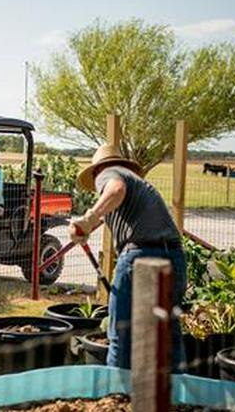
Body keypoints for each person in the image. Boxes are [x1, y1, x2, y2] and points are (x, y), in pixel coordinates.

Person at [68, 144, 186, 372]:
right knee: (168, 337)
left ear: (96, 171)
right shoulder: (137, 184)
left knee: (121, 334)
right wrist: (85, 229)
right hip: (173, 256)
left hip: (140, 256)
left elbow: (115, 190)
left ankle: (115, 397)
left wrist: (89, 218)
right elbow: (115, 204)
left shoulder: (109, 173)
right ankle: (177, 400)